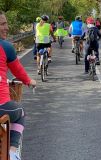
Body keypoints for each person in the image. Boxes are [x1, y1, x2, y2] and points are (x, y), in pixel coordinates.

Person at [0, 11, 36, 160]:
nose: (6, 27)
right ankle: (13, 151)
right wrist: (29, 81)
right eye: (2, 24)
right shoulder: (5, 47)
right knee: (20, 112)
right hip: (1, 106)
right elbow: (18, 71)